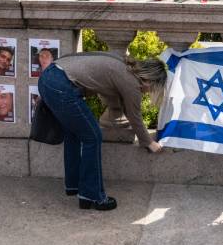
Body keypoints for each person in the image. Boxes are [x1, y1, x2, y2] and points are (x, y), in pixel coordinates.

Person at [38, 52, 167, 211]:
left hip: (48, 77)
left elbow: (114, 99)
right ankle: (91, 196)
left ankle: (73, 185)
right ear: (150, 79)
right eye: (153, 88)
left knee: (73, 133)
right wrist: (149, 142)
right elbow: (134, 116)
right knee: (93, 136)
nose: (148, 92)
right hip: (62, 85)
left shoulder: (123, 67)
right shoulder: (132, 82)